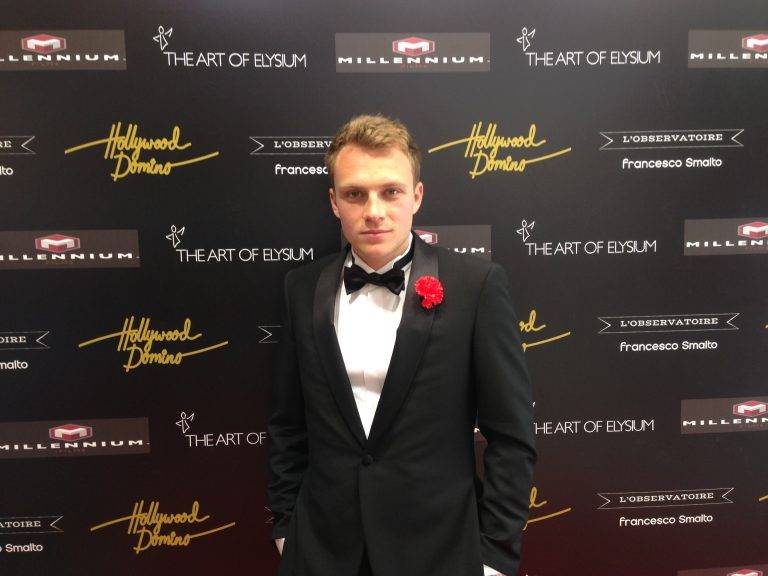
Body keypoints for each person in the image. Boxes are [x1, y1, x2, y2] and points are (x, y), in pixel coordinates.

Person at [267, 114, 536, 576]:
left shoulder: (476, 286)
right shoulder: (302, 288)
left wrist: (494, 554)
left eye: (390, 191)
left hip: (440, 552)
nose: (374, 210)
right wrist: (286, 527)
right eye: (355, 194)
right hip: (322, 551)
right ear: (334, 202)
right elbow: (288, 423)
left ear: (416, 196)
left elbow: (511, 435)